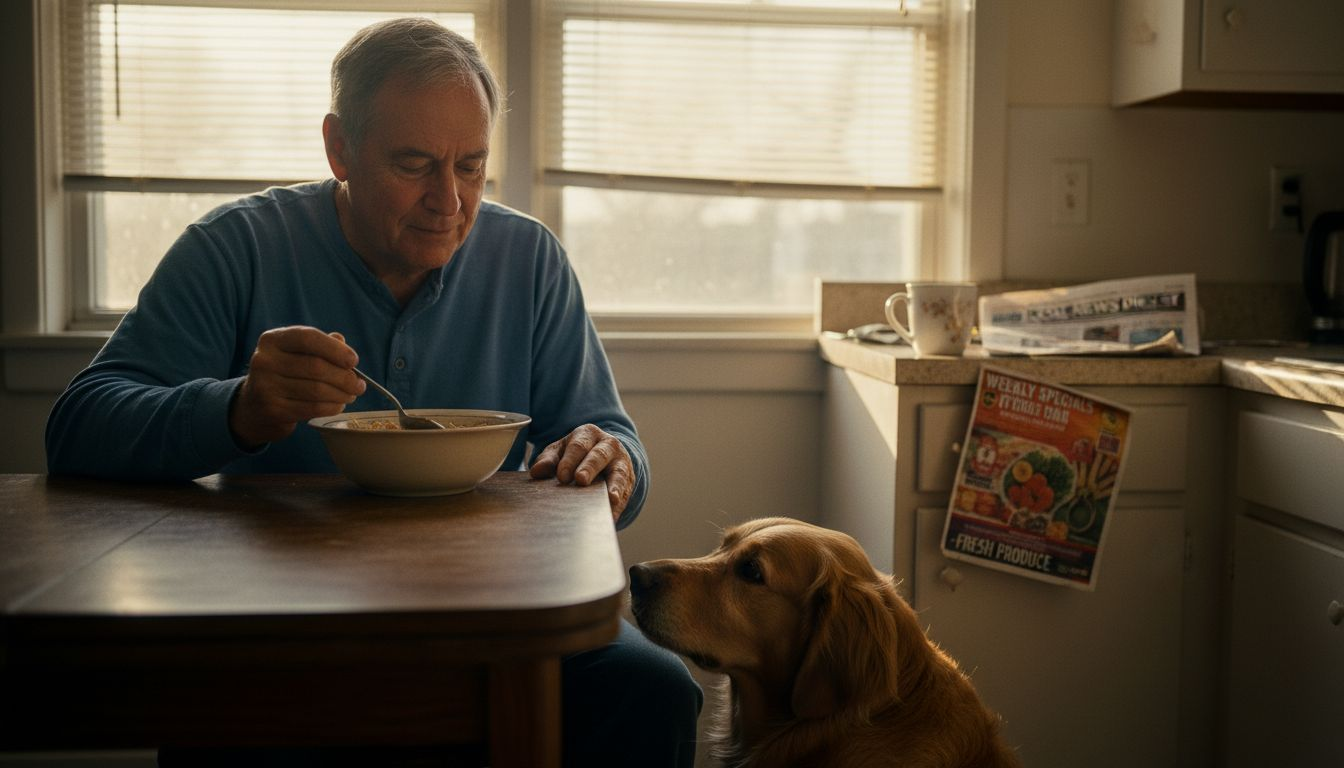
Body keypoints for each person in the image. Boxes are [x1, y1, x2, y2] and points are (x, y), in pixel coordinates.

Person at [44, 16, 701, 768]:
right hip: (278, 613)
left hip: (497, 610)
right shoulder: (237, 249)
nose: (448, 200)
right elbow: (77, 426)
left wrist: (610, 460)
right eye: (415, 163)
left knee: (653, 689)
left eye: (472, 165)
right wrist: (237, 409)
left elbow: (611, 438)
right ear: (339, 149)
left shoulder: (529, 260)